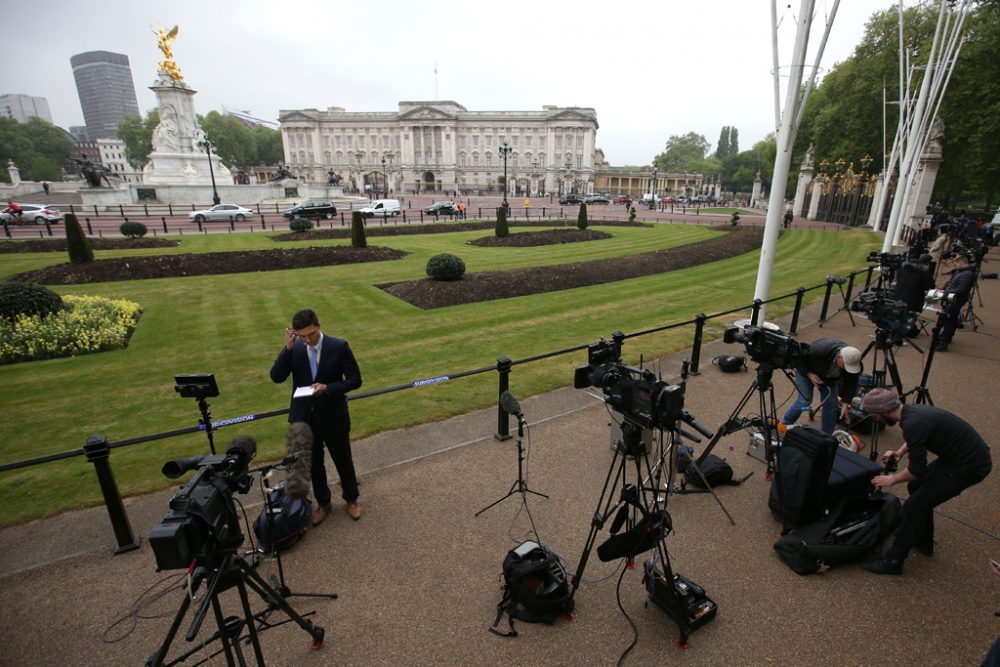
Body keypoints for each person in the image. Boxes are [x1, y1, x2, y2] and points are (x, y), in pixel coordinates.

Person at [859, 388, 991, 575]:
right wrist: (899, 452)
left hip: (970, 466)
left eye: (874, 415)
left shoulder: (913, 423)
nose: (875, 420)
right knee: (916, 487)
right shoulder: (910, 413)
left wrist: (892, 479)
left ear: (884, 411)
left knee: (914, 506)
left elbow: (917, 470)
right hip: (959, 457)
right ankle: (923, 540)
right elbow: (916, 436)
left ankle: (893, 562)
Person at [270, 308, 363, 524]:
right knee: (314, 464)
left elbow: (355, 380)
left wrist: (328, 388)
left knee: (343, 459)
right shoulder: (295, 348)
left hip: (333, 416)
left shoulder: (339, 346)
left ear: (318, 326)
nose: (308, 340)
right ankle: (324, 503)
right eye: (302, 336)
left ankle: (352, 499)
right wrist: (287, 348)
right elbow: (276, 377)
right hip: (304, 417)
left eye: (311, 334)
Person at [780, 338, 862, 434]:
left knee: (831, 405)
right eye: (846, 365)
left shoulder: (853, 360)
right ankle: (785, 423)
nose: (848, 368)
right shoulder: (819, 350)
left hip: (829, 378)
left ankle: (826, 435)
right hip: (806, 373)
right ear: (839, 357)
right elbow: (798, 359)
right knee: (805, 401)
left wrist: (845, 403)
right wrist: (810, 374)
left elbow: (851, 382)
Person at [935, 251, 976, 352]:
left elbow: (961, 290)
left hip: (955, 300)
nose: (954, 265)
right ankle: (945, 337)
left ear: (961, 263)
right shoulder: (963, 272)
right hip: (953, 299)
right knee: (950, 319)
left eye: (956, 263)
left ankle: (944, 340)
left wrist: (946, 291)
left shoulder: (966, 274)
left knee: (949, 320)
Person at [893, 254, 934, 321]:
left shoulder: (904, 268)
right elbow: (930, 285)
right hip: (913, 300)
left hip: (898, 296)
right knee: (908, 319)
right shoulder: (924, 272)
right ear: (928, 263)